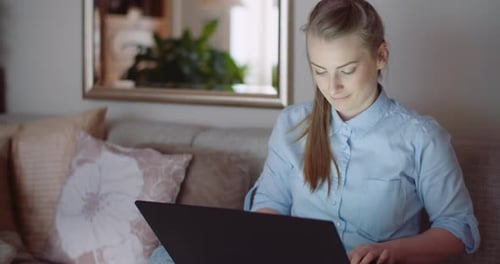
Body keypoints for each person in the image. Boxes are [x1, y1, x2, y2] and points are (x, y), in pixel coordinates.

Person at [244, 0, 480, 263]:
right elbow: (270, 205)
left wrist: (390, 251)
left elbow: (458, 230)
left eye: (347, 70)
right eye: (319, 71)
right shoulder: (291, 124)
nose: (333, 87)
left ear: (381, 56)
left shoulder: (422, 138)